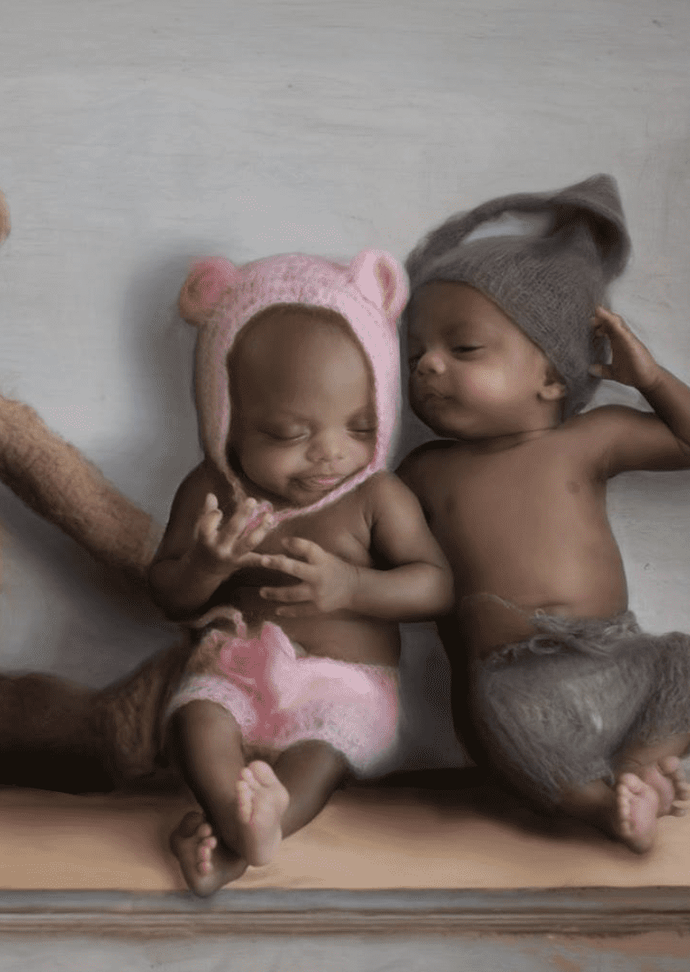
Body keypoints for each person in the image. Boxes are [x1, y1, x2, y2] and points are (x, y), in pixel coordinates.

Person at [396, 175, 690, 853]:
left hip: (620, 654)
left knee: (689, 661)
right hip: (516, 679)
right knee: (503, 713)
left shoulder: (589, 440)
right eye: (415, 354)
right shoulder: (425, 473)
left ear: (552, 376)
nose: (427, 366)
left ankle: (642, 767)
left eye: (463, 348)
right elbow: (397, 567)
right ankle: (600, 808)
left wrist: (649, 378)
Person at [149, 249, 455, 896]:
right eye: (291, 433)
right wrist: (205, 566)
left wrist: (353, 587)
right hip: (235, 670)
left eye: (360, 427)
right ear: (226, 419)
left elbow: (436, 586)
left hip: (343, 687)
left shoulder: (375, 497)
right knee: (196, 717)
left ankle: (255, 830)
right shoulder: (212, 491)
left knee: (321, 755)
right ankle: (234, 816)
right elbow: (167, 595)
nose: (331, 452)